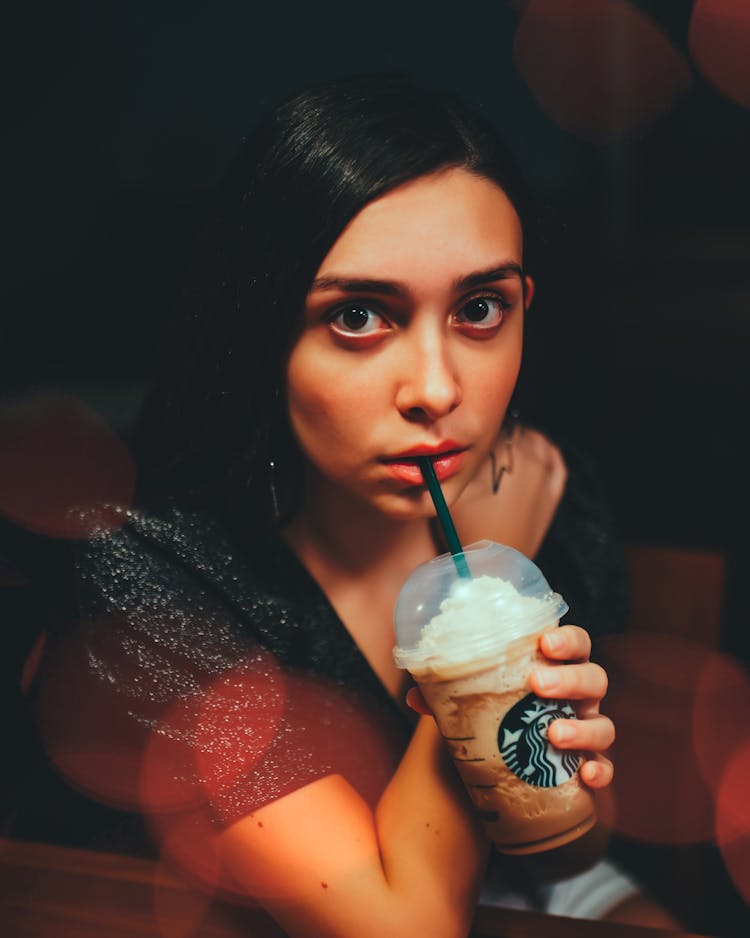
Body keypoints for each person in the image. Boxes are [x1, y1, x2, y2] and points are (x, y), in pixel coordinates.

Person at [15, 74, 675, 936]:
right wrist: (487, 618)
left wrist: (560, 774)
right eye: (358, 317)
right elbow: (405, 929)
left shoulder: (552, 495)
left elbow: (561, 855)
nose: (437, 389)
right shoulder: (144, 569)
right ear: (262, 333)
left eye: (481, 309)